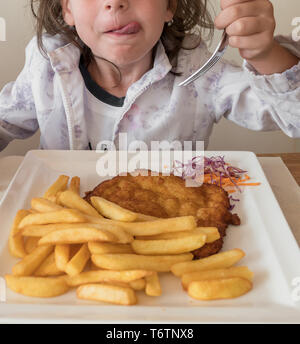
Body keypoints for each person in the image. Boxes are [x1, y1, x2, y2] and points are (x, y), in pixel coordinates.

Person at [0, 0, 299, 152]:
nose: (115, 2)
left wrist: (264, 53)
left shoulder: (202, 73)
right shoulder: (47, 70)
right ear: (68, 9)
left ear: (169, 5)